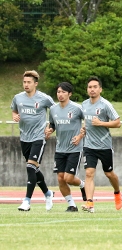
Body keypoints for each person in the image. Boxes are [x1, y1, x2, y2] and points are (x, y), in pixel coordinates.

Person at [11, 70, 56, 212]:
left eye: (29, 82)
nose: (26, 84)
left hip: (39, 137)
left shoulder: (44, 98)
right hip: (24, 138)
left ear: (35, 84)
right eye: (24, 82)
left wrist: (51, 128)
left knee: (30, 167)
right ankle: (48, 193)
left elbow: (56, 112)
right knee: (34, 169)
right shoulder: (17, 98)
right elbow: (14, 110)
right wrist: (15, 116)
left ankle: (26, 201)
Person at [81, 76, 122, 213]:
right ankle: (90, 203)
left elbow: (118, 123)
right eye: (90, 87)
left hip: (104, 146)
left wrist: (101, 123)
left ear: (100, 89)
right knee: (89, 173)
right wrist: (82, 130)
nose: (92, 89)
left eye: (95, 87)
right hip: (89, 146)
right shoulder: (84, 105)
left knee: (109, 174)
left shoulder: (105, 105)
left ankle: (117, 192)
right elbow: (84, 122)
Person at [46, 82, 86, 212]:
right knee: (60, 178)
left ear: (69, 94)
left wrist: (80, 136)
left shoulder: (77, 108)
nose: (60, 94)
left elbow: (88, 123)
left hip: (75, 148)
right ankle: (72, 205)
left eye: (63, 92)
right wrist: (49, 131)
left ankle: (82, 185)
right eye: (58, 92)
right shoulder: (53, 109)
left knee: (68, 178)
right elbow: (52, 124)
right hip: (60, 149)